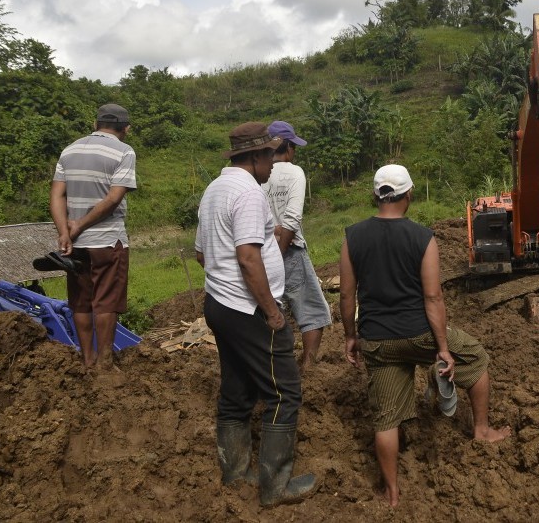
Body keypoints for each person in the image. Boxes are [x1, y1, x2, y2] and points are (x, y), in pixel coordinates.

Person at [339, 164, 511, 508]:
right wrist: (443, 349)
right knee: (476, 357)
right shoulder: (422, 238)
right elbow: (433, 297)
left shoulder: (352, 236)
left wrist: (350, 336)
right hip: (419, 334)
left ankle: (391, 490)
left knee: (385, 418)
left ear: (376, 195)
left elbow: (346, 296)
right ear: (409, 194)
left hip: (377, 340)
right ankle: (481, 431)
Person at [194, 121, 316, 508]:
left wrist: (225, 281)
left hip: (220, 304)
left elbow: (202, 253)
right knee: (285, 392)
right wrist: (272, 312)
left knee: (237, 388)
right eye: (269, 156)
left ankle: (235, 473)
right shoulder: (248, 193)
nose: (273, 164)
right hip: (249, 309)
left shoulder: (215, 189)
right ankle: (275, 487)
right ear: (256, 157)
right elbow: (248, 257)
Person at [50, 103, 136, 369]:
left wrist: (66, 231)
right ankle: (104, 364)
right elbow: (113, 198)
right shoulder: (124, 151)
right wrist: (82, 225)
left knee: (81, 302)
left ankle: (87, 361)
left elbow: (56, 196)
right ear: (126, 129)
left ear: (95, 124)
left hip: (75, 245)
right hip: (107, 240)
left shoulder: (69, 150)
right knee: (106, 303)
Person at [262, 120, 331, 371]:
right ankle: (308, 365)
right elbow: (292, 218)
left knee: (268, 307)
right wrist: (278, 254)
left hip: (259, 251)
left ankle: (272, 365)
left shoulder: (257, 175)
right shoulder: (294, 172)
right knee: (312, 309)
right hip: (288, 249)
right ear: (288, 147)